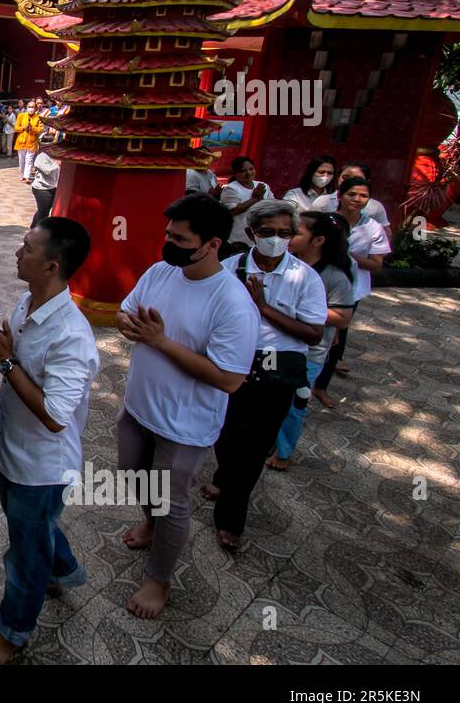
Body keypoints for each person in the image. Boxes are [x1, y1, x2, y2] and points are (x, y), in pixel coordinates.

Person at [115, 194, 259, 619]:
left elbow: (230, 378)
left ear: (212, 244)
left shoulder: (232, 303)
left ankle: (158, 579)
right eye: (167, 234)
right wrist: (133, 327)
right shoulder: (161, 271)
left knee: (171, 500)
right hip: (138, 406)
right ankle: (151, 523)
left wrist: (160, 341)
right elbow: (126, 313)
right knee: (135, 480)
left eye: (180, 238)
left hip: (182, 425)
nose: (169, 243)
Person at [0, 218, 99, 663]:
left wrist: (5, 361)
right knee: (37, 531)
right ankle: (66, 570)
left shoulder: (71, 335)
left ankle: (13, 631)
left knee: (24, 554)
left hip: (42, 465)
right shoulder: (28, 302)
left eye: (27, 248)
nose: (17, 253)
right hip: (16, 452)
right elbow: (24, 364)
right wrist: (10, 349)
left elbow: (57, 417)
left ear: (52, 265)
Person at [200, 200, 326, 550]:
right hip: (231, 363)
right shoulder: (228, 268)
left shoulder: (304, 277)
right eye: (268, 233)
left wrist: (264, 309)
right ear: (252, 233)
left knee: (253, 448)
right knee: (224, 434)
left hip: (276, 369)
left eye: (285, 233)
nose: (276, 240)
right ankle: (224, 477)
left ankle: (230, 518)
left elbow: (314, 333)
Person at [268, 211, 355, 469]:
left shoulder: (334, 276)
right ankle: (268, 439)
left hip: (309, 354)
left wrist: (296, 307)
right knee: (269, 397)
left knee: (295, 403)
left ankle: (283, 452)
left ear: (318, 241)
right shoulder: (284, 264)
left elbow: (342, 317)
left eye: (295, 233)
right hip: (276, 347)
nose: (287, 237)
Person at [312, 176, 391, 407]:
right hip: (316, 284)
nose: (357, 199)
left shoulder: (372, 227)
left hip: (350, 291)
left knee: (336, 338)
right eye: (352, 194)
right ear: (340, 196)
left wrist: (345, 254)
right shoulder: (323, 222)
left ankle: (321, 386)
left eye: (363, 196)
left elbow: (376, 264)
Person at [310, 163, 391, 239]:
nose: (350, 182)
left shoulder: (376, 207)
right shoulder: (322, 202)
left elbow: (384, 235)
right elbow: (309, 230)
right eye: (345, 177)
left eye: (357, 178)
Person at [219, 156, 268, 252]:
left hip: (258, 235)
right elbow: (232, 211)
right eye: (243, 171)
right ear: (235, 174)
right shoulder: (231, 188)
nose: (249, 173)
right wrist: (254, 199)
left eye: (251, 169)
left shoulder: (262, 186)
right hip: (237, 237)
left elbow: (271, 205)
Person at [30, 140, 60, 227]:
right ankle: (38, 230)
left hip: (53, 186)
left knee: (44, 209)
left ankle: (34, 226)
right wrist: (57, 164)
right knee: (43, 212)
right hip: (42, 188)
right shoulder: (41, 157)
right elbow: (47, 171)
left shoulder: (55, 156)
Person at [14, 100, 40, 182]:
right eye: (29, 107)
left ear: (35, 108)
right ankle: (23, 175)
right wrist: (24, 128)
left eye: (32, 107)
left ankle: (27, 176)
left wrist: (32, 128)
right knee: (21, 161)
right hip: (21, 141)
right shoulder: (21, 116)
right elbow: (16, 128)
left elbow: (40, 130)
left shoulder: (38, 117)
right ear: (26, 107)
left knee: (29, 160)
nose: (31, 109)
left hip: (31, 142)